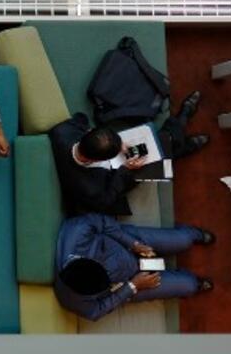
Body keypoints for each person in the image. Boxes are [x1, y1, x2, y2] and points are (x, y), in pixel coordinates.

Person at [50, 91, 209, 216]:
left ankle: (182, 143)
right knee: (160, 150)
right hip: (114, 178)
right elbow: (108, 199)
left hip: (100, 156)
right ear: (92, 160)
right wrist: (125, 169)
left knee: (157, 146)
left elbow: (81, 119)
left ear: (88, 133)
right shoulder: (90, 189)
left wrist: (119, 145)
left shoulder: (61, 132)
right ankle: (183, 119)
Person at [53, 213, 214, 322]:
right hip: (128, 282)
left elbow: (103, 222)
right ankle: (194, 282)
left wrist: (133, 243)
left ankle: (194, 234)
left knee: (184, 240)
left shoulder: (76, 232)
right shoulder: (70, 299)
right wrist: (132, 286)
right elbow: (98, 310)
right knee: (189, 285)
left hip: (127, 243)